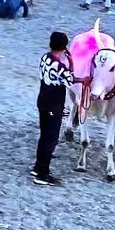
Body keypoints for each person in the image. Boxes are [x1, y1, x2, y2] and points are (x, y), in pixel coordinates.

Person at [34, 31, 83, 186]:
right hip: (53, 105)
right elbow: (71, 80)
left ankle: (38, 167)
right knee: (51, 139)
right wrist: (72, 64)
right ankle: (42, 174)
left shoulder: (45, 58)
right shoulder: (60, 66)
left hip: (42, 100)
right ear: (64, 48)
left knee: (44, 137)